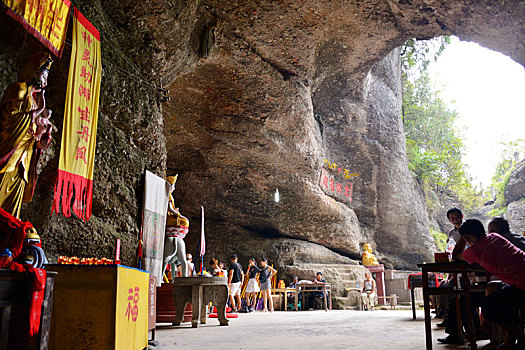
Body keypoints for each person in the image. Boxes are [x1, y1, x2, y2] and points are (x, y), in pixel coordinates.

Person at [454, 219, 525, 347]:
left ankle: (516, 335)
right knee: (500, 293)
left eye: (466, 239)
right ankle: (509, 338)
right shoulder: (494, 236)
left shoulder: (474, 252)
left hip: (521, 285)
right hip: (518, 282)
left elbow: (456, 255)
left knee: (491, 305)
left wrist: (461, 238)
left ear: (469, 238)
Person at [0, 52, 53, 218]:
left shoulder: (34, 99)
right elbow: (8, 118)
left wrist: (39, 142)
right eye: (43, 75)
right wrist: (35, 112)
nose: (44, 81)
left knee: (13, 204)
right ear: (33, 71)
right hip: (10, 152)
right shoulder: (19, 89)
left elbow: (31, 129)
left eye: (46, 78)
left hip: (24, 157)